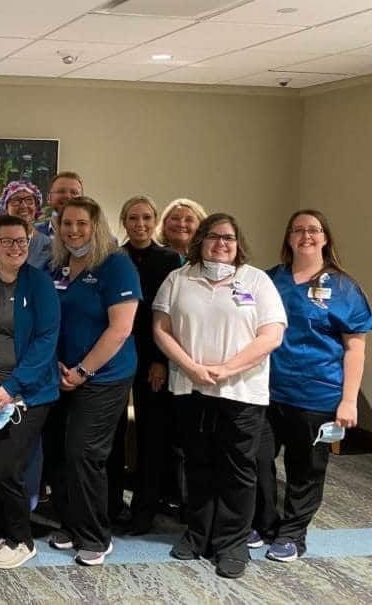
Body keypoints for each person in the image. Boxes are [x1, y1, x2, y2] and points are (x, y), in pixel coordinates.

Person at [153, 212, 286, 579]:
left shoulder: (256, 281)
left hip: (241, 391)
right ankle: (197, 535)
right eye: (213, 237)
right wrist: (192, 368)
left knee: (238, 470)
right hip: (191, 387)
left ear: (238, 243)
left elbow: (271, 336)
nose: (221, 244)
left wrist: (227, 369)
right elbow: (161, 329)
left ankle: (232, 544)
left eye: (228, 238)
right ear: (201, 241)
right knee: (197, 465)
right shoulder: (178, 279)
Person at [252, 210, 371, 562]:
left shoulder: (344, 287)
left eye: (314, 230)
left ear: (325, 238)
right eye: (298, 229)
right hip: (268, 392)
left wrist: (349, 401)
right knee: (256, 459)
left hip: (318, 396)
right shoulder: (270, 280)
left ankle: (292, 534)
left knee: (306, 469)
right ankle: (264, 522)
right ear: (288, 238)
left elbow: (355, 347)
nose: (306, 235)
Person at [45, 196, 141, 567]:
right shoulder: (57, 264)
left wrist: (83, 371)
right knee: (57, 449)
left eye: (81, 223)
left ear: (96, 226)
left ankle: (95, 536)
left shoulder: (116, 265)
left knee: (85, 454)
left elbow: (121, 329)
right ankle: (71, 524)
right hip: (60, 373)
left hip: (103, 377)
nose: (73, 230)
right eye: (67, 223)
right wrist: (56, 365)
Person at [0, 215, 60, 569]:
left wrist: (11, 388)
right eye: (7, 241)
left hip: (28, 393)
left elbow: (46, 341)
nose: (16, 247)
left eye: (21, 241)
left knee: (7, 467)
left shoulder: (41, 286)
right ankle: (0, 532)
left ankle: (22, 539)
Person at [116, 196, 184, 534]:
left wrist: (159, 359)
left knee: (151, 437)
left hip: (153, 359)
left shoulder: (171, 260)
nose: (139, 224)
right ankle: (111, 504)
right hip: (115, 355)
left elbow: (171, 314)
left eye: (145, 217)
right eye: (132, 218)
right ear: (123, 222)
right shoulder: (114, 257)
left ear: (154, 221)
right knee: (112, 436)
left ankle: (144, 510)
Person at [0, 181, 52, 274]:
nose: (23, 206)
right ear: (5, 208)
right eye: (16, 200)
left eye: (29, 200)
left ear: (36, 207)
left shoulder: (48, 247)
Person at [35, 171, 84, 238]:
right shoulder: (33, 233)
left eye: (74, 192)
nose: (68, 196)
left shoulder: (92, 234)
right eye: (61, 191)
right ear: (49, 198)